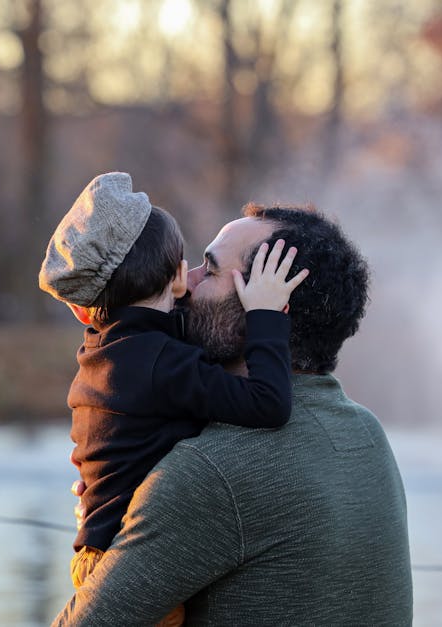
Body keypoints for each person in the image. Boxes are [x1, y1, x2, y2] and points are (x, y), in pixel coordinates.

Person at [54, 204, 413, 626]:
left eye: (209, 270)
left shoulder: (211, 470)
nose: (184, 285)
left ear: (266, 308)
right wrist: (121, 502)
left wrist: (115, 532)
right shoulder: (366, 434)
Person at [38, 173, 311, 624]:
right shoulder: (161, 364)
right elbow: (268, 403)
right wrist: (264, 314)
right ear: (179, 275)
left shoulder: (107, 349)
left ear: (84, 307)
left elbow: (164, 327)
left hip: (97, 551)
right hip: (130, 567)